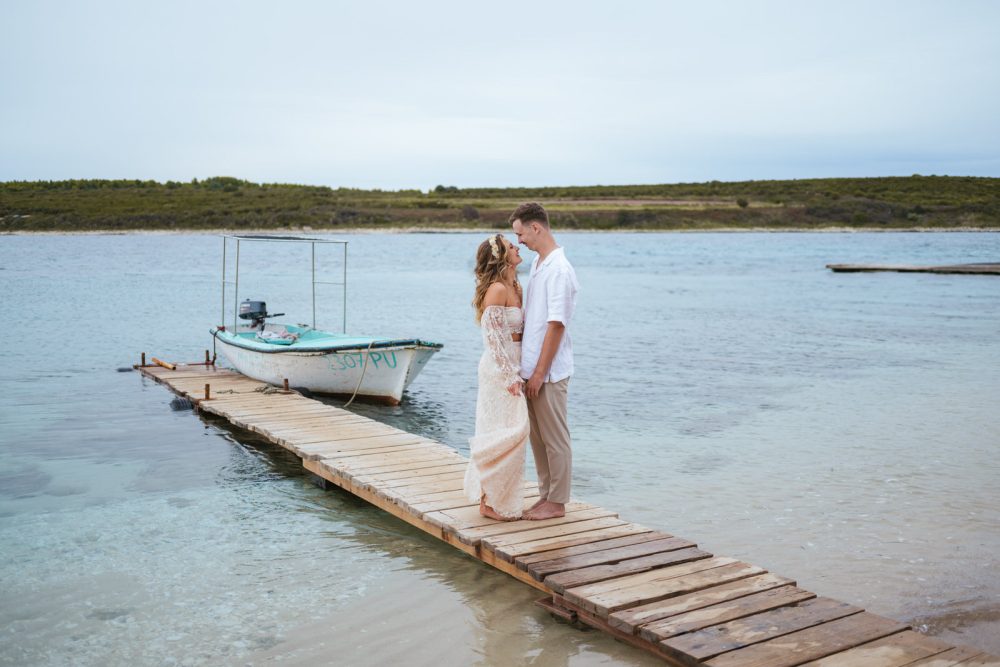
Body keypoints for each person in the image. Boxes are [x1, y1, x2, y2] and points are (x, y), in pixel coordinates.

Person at [510, 202, 579, 521]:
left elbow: (556, 324)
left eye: (520, 233)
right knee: (538, 440)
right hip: (531, 368)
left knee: (555, 439)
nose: (519, 240)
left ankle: (558, 502)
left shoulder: (560, 269)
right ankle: (545, 496)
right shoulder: (540, 263)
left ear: (536, 228)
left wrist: (539, 373)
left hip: (549, 372)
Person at [463, 233, 530, 520]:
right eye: (511, 246)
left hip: (515, 365)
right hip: (498, 370)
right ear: (501, 256)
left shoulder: (516, 285)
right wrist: (510, 376)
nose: (517, 247)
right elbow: (492, 339)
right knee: (503, 432)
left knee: (512, 432)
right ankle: (487, 502)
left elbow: (521, 335)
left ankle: (494, 497)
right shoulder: (497, 289)